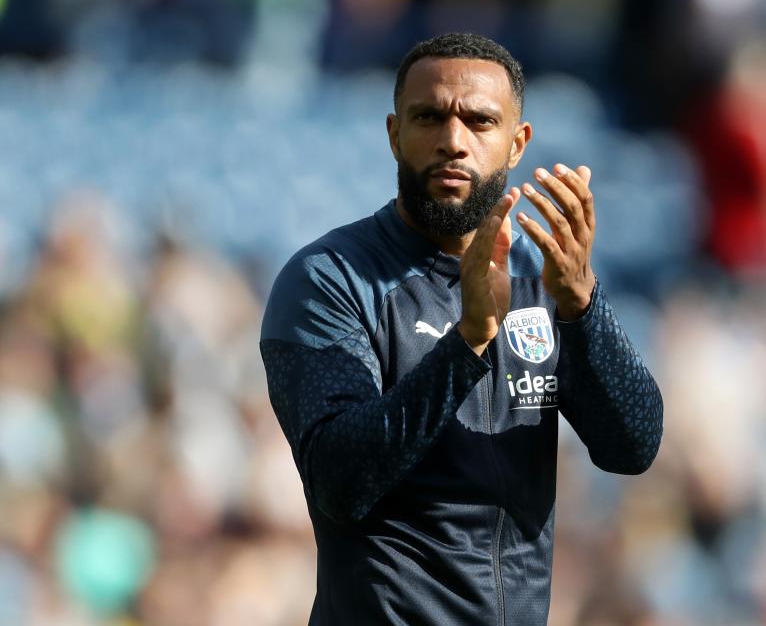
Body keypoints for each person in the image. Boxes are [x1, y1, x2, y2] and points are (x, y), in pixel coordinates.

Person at [260, 32, 663, 626]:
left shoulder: (544, 277)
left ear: (516, 143)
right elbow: (340, 482)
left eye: (479, 121)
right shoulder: (331, 280)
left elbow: (633, 446)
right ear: (395, 134)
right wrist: (469, 340)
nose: (453, 141)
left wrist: (583, 303)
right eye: (429, 117)